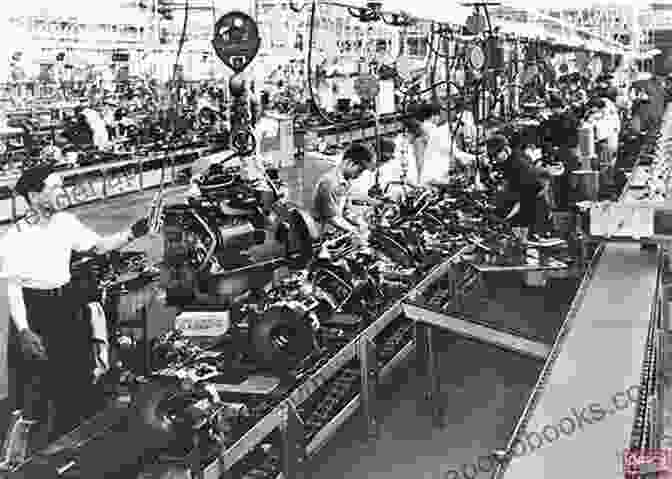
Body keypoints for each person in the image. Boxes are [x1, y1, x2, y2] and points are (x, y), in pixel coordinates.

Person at [0, 164, 151, 449]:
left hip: (66, 304)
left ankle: (74, 442)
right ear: (34, 196)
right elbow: (14, 289)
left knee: (77, 376)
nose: (62, 192)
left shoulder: (66, 223)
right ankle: (26, 451)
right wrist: (23, 330)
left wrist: (133, 232)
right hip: (35, 310)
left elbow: (100, 247)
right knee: (36, 387)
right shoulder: (15, 237)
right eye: (55, 187)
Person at [486, 134, 560, 244]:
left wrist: (505, 214)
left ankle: (538, 234)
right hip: (532, 189)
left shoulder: (518, 165)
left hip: (535, 193)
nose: (494, 159)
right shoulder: (512, 157)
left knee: (522, 213)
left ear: (506, 149)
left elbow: (525, 192)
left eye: (496, 155)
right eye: (491, 156)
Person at [312, 143, 375, 236]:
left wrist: (360, 222)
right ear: (348, 162)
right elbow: (331, 217)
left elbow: (345, 211)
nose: (359, 175)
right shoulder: (329, 182)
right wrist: (354, 229)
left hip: (336, 230)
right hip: (322, 234)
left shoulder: (345, 181)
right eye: (359, 170)